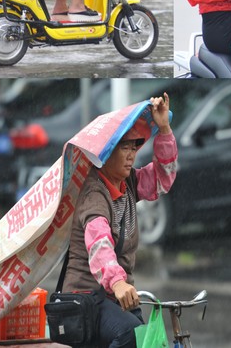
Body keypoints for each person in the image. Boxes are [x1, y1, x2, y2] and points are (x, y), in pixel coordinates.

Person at [63, 94, 174, 348]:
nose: (131, 155)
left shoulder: (128, 183)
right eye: (125, 147)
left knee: (148, 339)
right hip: (87, 298)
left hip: (116, 297)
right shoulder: (94, 194)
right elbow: (99, 243)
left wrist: (164, 128)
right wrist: (118, 281)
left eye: (134, 147)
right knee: (130, 335)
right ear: (106, 151)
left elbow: (163, 179)